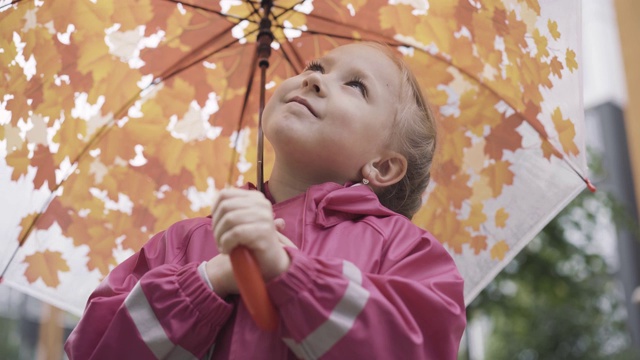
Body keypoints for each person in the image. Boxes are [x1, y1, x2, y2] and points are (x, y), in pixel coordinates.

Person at [65, 42, 466, 359]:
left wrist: (292, 272)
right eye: (316, 67)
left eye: (356, 86)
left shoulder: (403, 250)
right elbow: (93, 348)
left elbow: (417, 346)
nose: (314, 80)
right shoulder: (183, 244)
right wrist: (208, 280)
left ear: (381, 166)